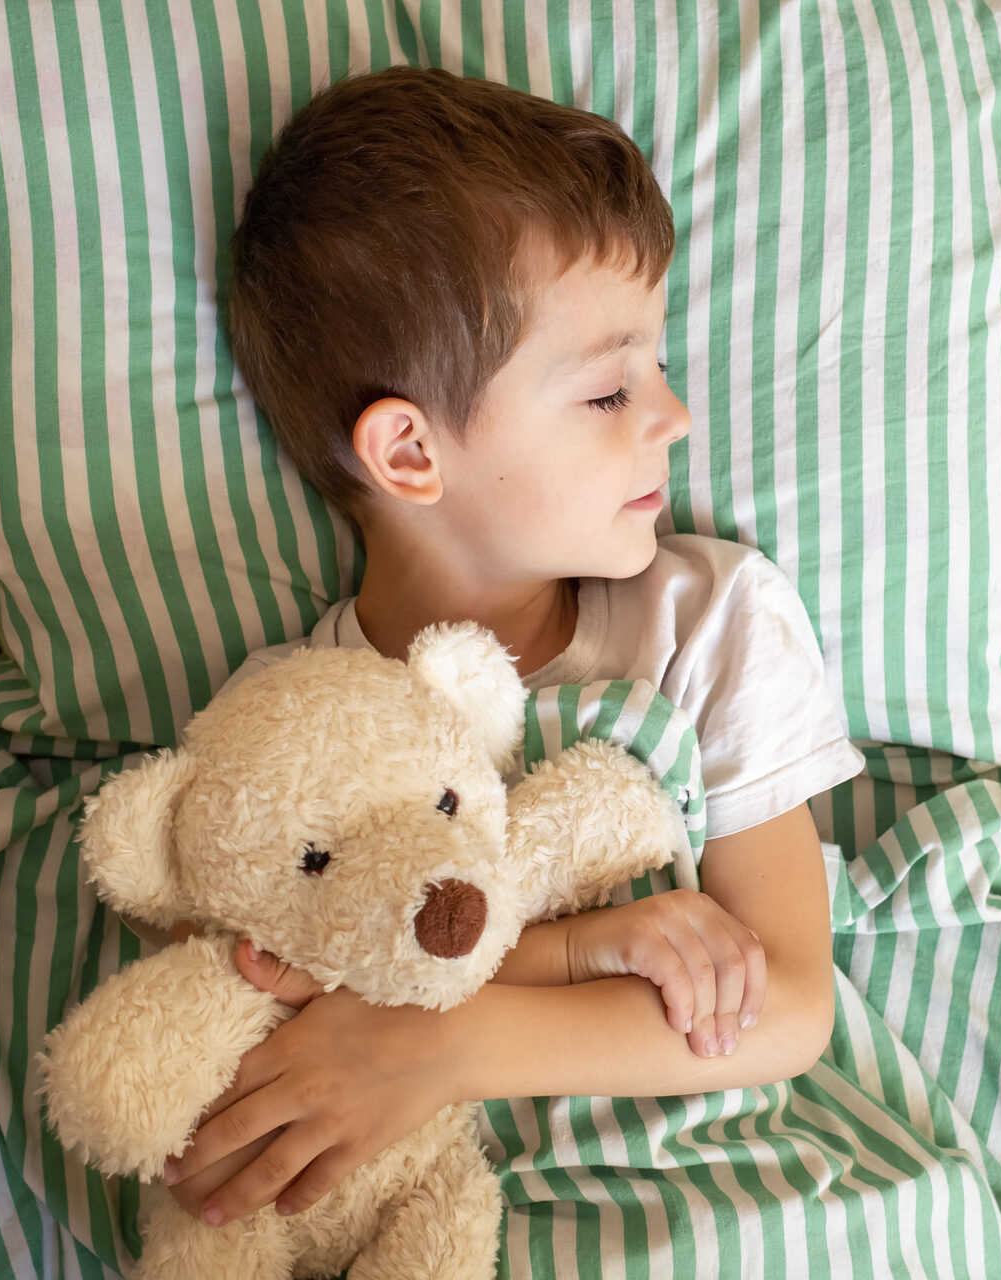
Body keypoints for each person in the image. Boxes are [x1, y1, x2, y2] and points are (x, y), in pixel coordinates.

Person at [158, 65, 865, 1232]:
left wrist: (447, 1044)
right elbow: (246, 1007)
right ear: (410, 454)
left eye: (661, 364)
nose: (673, 415)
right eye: (607, 390)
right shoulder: (285, 725)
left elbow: (788, 1007)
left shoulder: (705, 624)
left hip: (710, 1196)